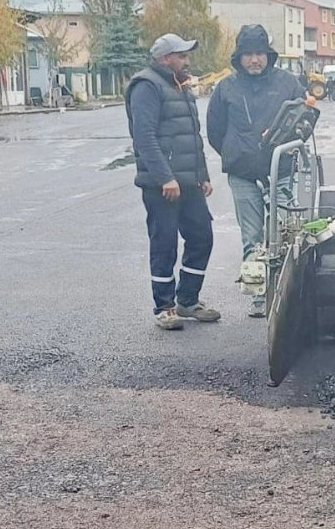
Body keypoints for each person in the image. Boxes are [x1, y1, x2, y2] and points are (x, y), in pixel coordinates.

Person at [206, 23, 304, 317]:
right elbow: (214, 130)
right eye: (248, 54)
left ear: (268, 55)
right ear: (239, 57)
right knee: (252, 236)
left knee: (285, 231)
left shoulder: (287, 84)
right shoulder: (226, 88)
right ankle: (258, 294)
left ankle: (285, 291)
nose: (254, 60)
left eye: (259, 53)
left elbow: (304, 123)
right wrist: (236, 152)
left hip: (282, 169)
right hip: (243, 174)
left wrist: (285, 141)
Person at [124, 33, 221, 331]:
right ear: (166, 58)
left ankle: (188, 300)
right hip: (161, 185)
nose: (186, 60)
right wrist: (164, 177)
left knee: (202, 236)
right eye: (181, 55)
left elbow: (192, 136)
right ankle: (164, 307)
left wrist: (201, 174)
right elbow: (144, 137)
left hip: (188, 183)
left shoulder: (180, 86)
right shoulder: (147, 86)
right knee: (164, 244)